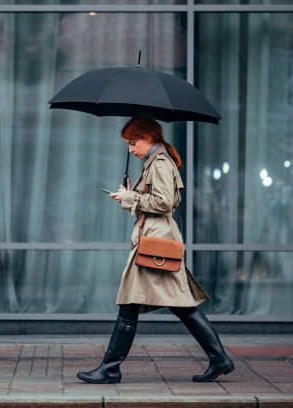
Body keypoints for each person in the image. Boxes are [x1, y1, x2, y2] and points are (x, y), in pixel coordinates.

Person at [77, 114, 234, 384]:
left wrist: (130, 197)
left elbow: (162, 203)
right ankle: (219, 359)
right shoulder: (155, 162)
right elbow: (155, 200)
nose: (130, 149)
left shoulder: (160, 163)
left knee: (130, 303)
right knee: (181, 306)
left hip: (155, 244)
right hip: (156, 242)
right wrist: (129, 196)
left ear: (148, 137)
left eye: (132, 142)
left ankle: (110, 368)